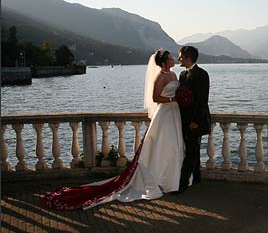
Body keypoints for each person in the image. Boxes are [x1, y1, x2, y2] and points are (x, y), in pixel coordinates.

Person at [41, 49, 189, 210]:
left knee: (174, 146)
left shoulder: (174, 75)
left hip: (175, 113)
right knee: (162, 146)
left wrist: (180, 99)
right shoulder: (159, 77)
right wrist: (173, 99)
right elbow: (155, 98)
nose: (173, 59)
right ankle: (161, 179)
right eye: (170, 58)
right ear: (164, 62)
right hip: (165, 113)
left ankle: (173, 179)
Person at [177, 45, 211, 192]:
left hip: (195, 121)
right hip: (184, 119)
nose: (178, 58)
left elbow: (203, 100)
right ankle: (196, 177)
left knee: (191, 151)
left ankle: (182, 184)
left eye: (180, 56)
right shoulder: (182, 75)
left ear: (188, 58)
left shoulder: (202, 74)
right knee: (193, 149)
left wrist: (196, 121)